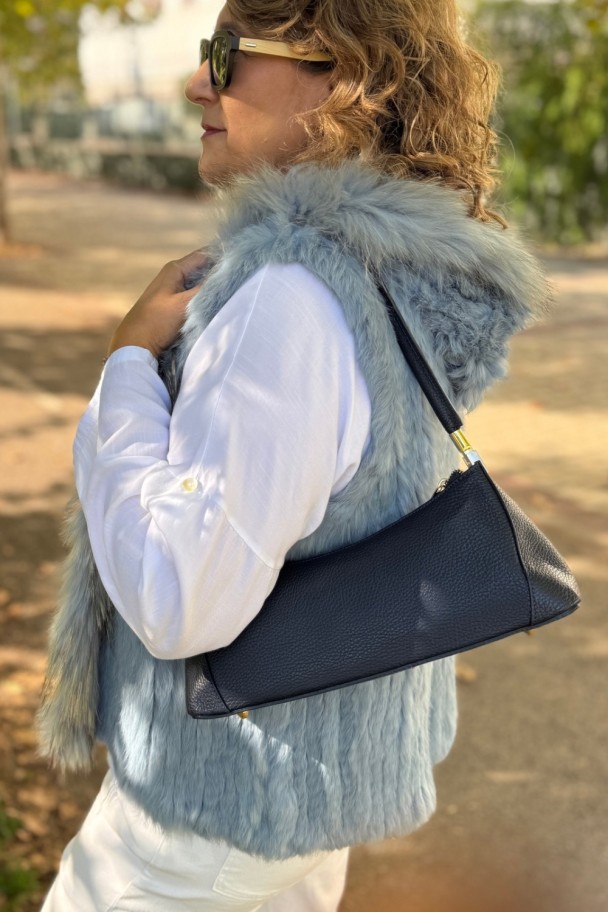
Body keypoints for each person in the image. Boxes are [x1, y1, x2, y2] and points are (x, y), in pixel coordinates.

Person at [36, 0, 550, 910]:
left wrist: (127, 367)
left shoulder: (287, 297)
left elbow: (176, 595)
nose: (197, 82)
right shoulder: (392, 270)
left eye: (227, 54)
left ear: (342, 76)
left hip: (206, 823)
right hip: (301, 791)